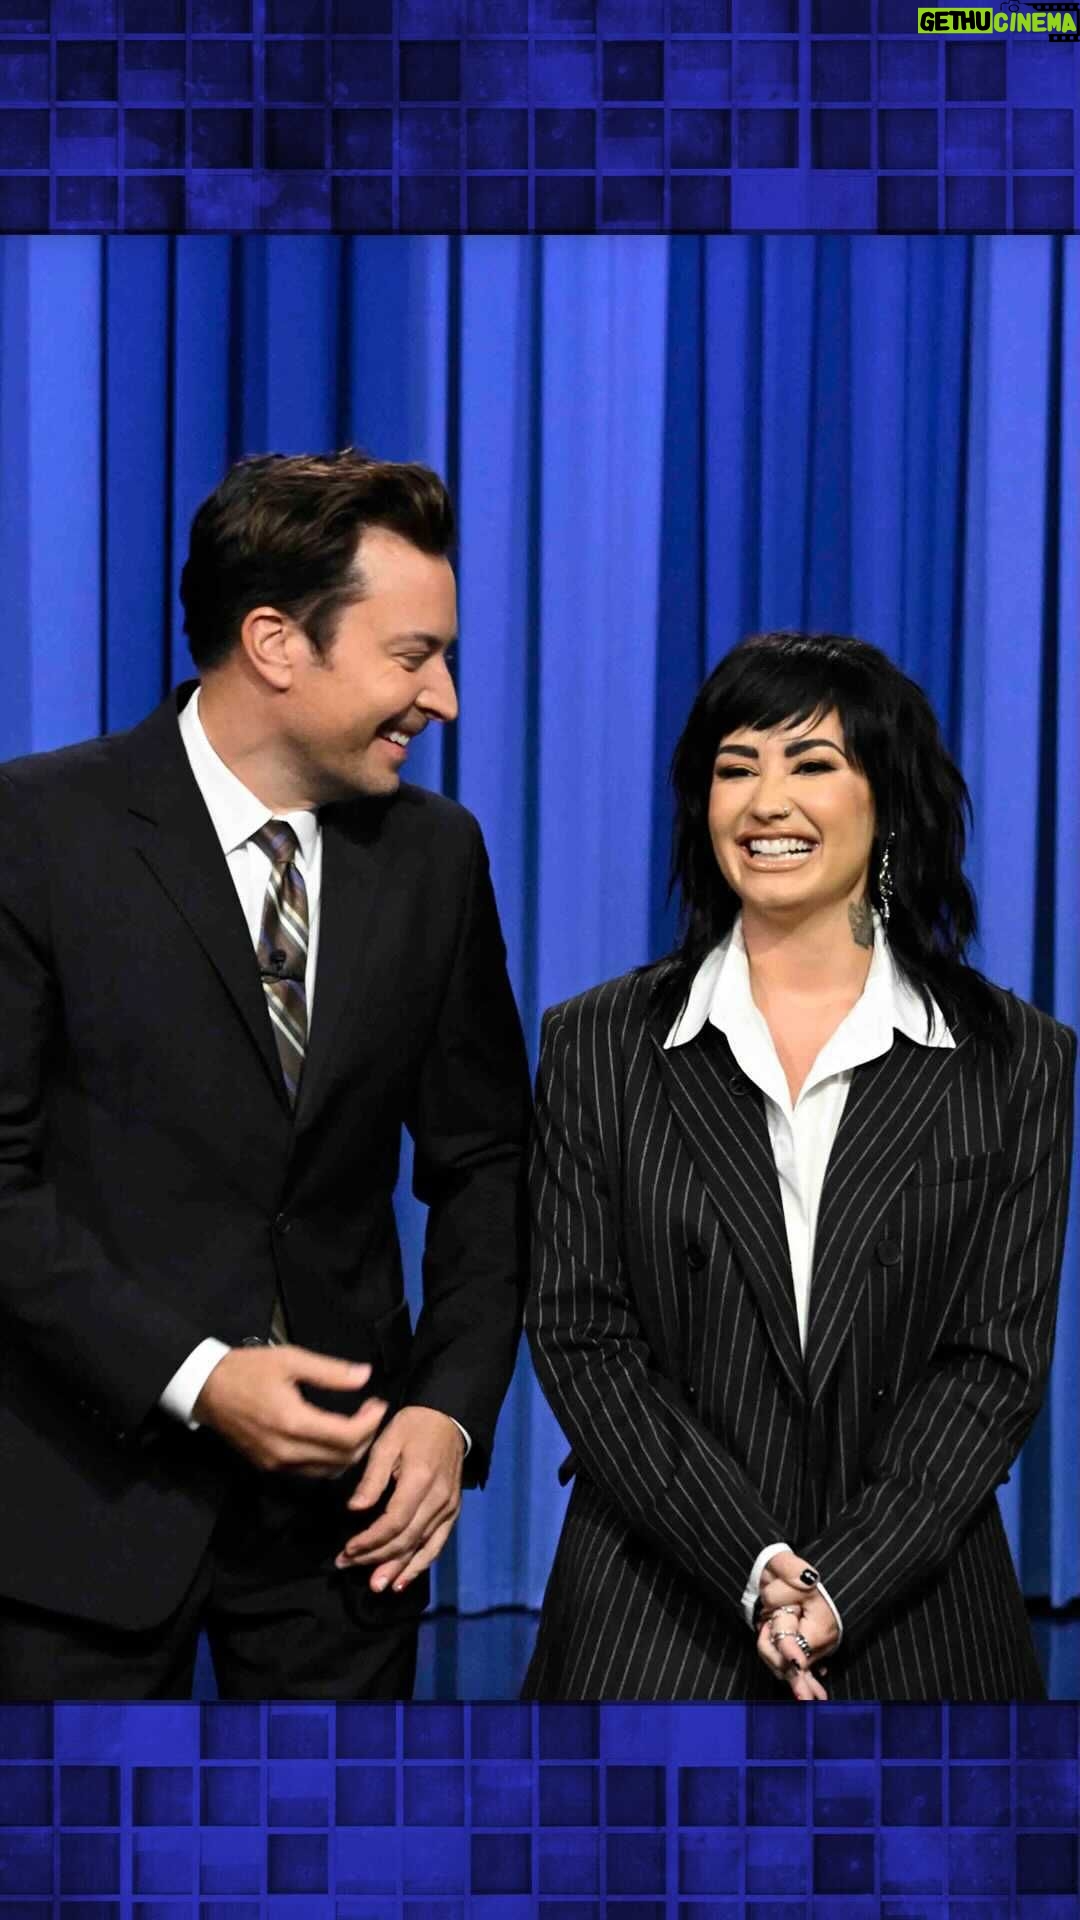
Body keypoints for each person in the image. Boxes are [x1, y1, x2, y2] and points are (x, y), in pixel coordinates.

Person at [0, 448, 530, 1701]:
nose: (446, 699)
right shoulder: (37, 833)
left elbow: (488, 1163)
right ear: (276, 643)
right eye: (414, 656)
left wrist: (447, 1412)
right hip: (78, 1511)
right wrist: (197, 1377)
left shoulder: (438, 858)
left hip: (345, 1537)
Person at [524, 630, 1075, 1701]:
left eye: (812, 763)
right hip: (652, 1612)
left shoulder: (1014, 1059)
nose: (766, 802)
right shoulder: (598, 1043)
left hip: (919, 1615)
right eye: (736, 768)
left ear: (891, 802)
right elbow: (581, 1335)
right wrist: (752, 1562)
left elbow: (994, 1364)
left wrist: (843, 1582)